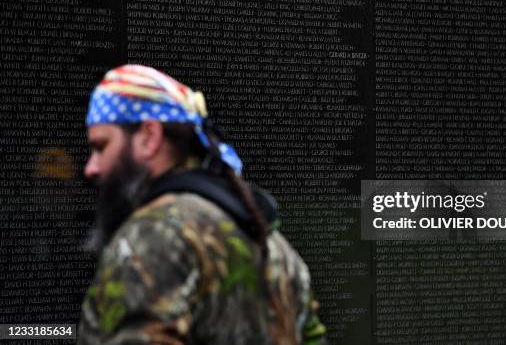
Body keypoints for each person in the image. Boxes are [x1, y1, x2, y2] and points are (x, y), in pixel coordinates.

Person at [78, 64, 326, 344]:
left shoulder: (156, 236)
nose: (91, 167)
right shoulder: (273, 244)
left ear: (149, 137)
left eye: (101, 147)